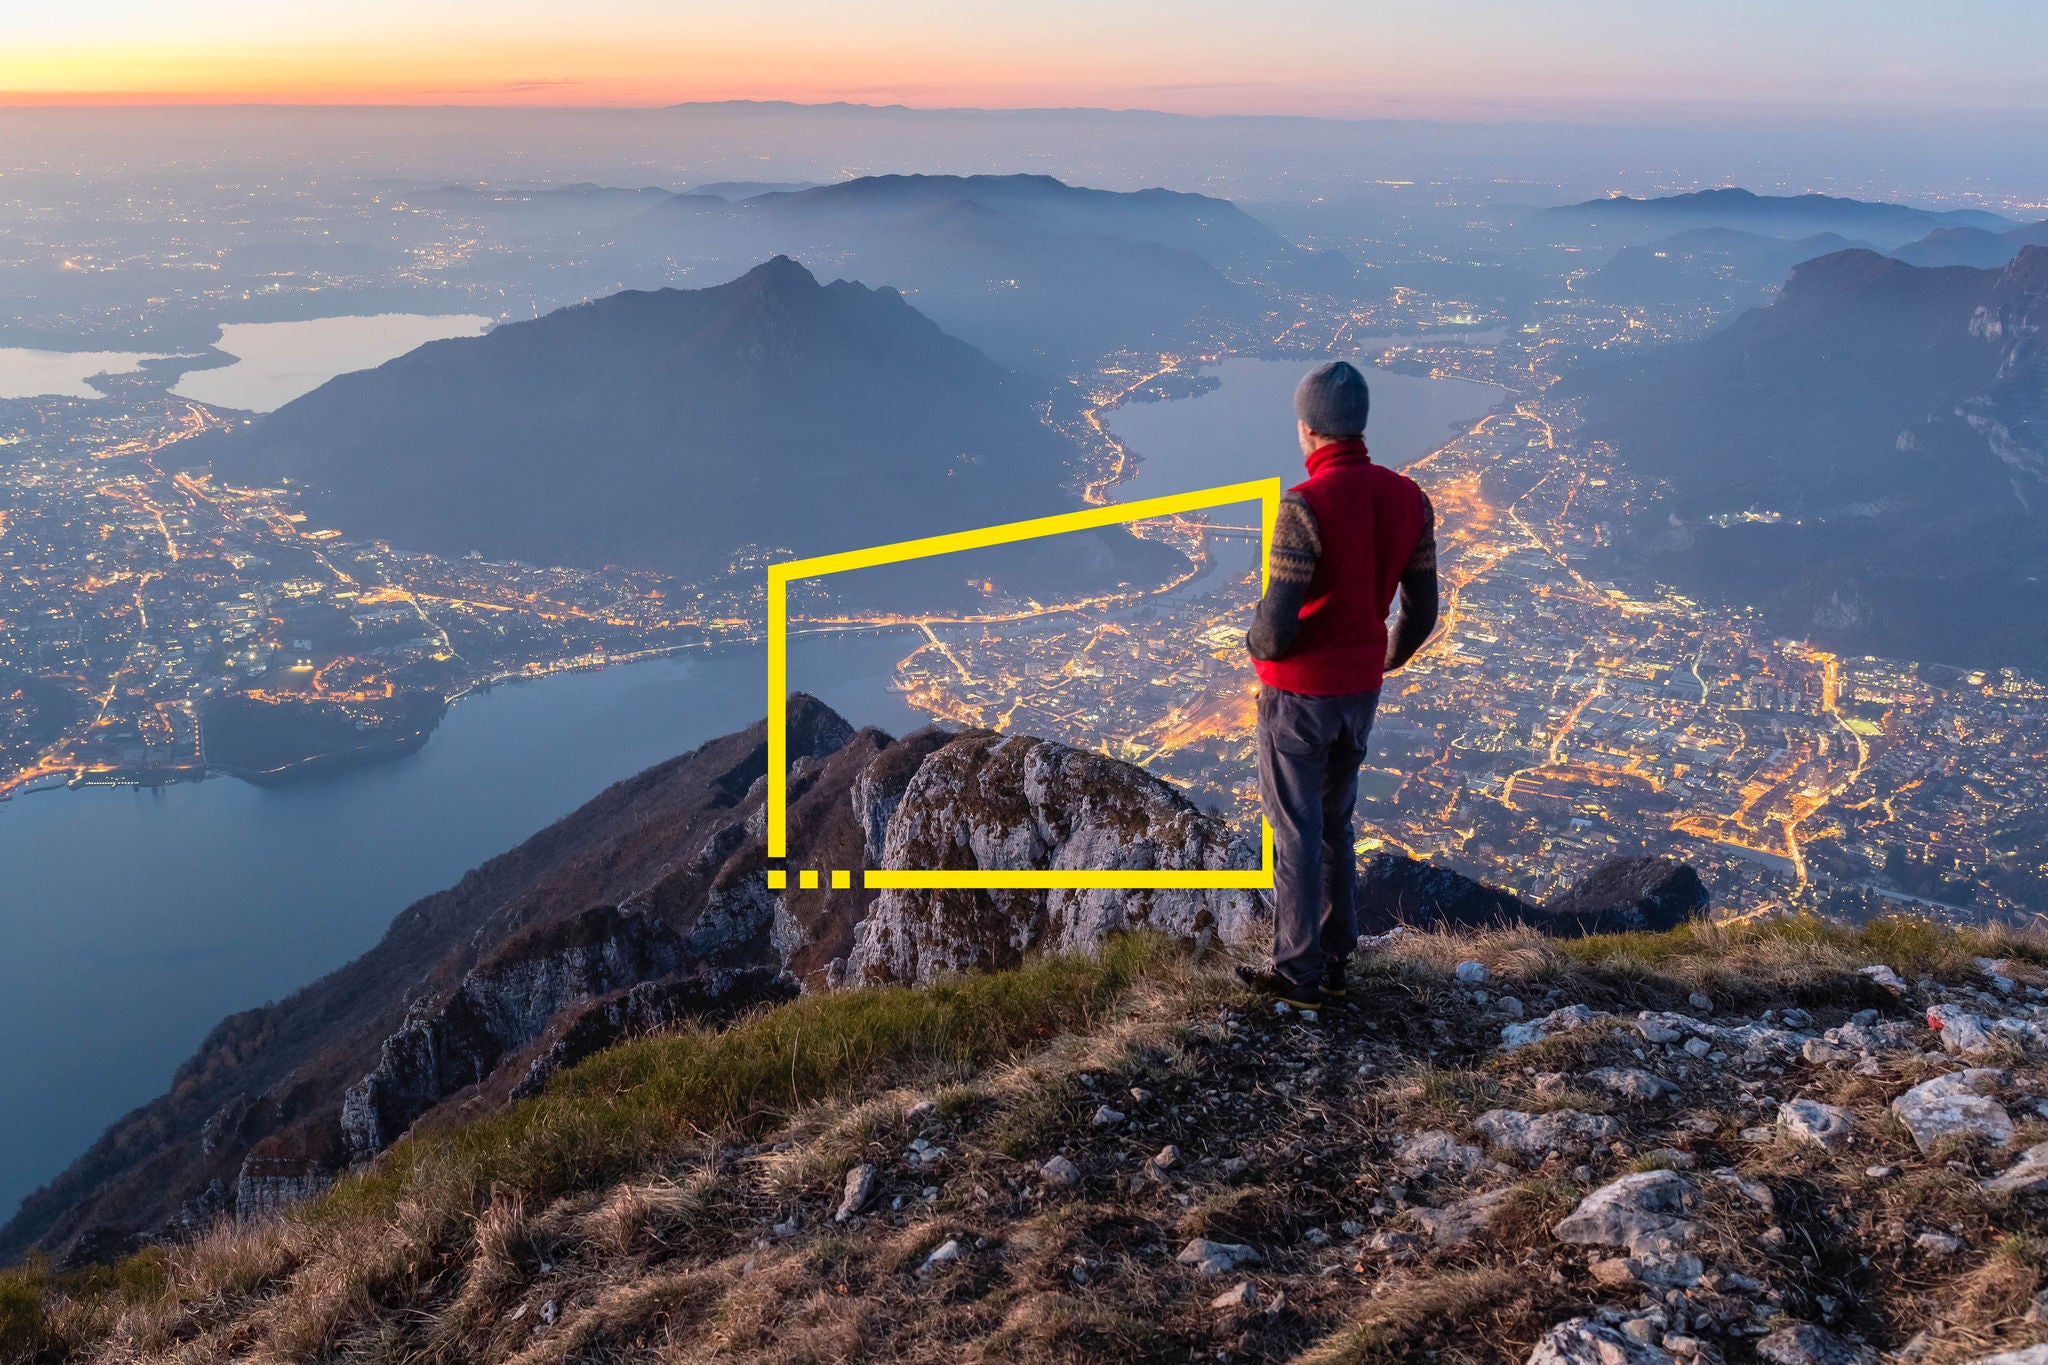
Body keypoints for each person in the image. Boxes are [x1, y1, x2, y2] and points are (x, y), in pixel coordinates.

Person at [1238, 359, 1439, 1013]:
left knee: (1293, 829)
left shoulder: (1305, 505)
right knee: (1335, 825)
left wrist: (1255, 646)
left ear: (1308, 428)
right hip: (1359, 692)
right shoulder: (1410, 499)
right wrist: (1380, 661)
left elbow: (1274, 624)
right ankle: (1337, 961)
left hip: (1297, 696)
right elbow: (1422, 611)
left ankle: (1297, 974)